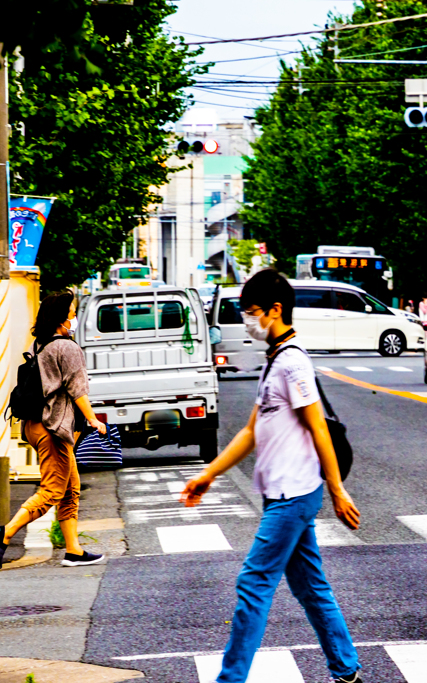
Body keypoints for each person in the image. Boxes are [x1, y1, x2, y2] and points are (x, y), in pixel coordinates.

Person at [181, 269, 363, 683]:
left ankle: (230, 679)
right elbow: (250, 431)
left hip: (294, 494)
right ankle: (346, 668)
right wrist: (207, 475)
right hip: (282, 493)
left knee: (253, 584)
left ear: (275, 310)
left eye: (251, 312)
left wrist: (337, 489)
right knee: (311, 587)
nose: (247, 320)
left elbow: (318, 427)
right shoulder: (276, 362)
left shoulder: (293, 362)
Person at [0, 291, 108, 570]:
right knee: (53, 490)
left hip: (34, 424)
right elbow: (77, 389)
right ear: (61, 317)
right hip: (52, 427)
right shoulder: (67, 348)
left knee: (70, 488)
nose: (74, 317)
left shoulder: (41, 344)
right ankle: (5, 533)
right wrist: (93, 419)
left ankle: (73, 550)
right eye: (71, 312)